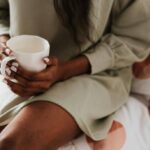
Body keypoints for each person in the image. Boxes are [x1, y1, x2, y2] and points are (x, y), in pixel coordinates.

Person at [0, 0, 149, 149]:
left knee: (11, 144)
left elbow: (134, 38)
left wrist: (63, 70)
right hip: (23, 67)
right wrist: (4, 42)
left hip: (95, 73)